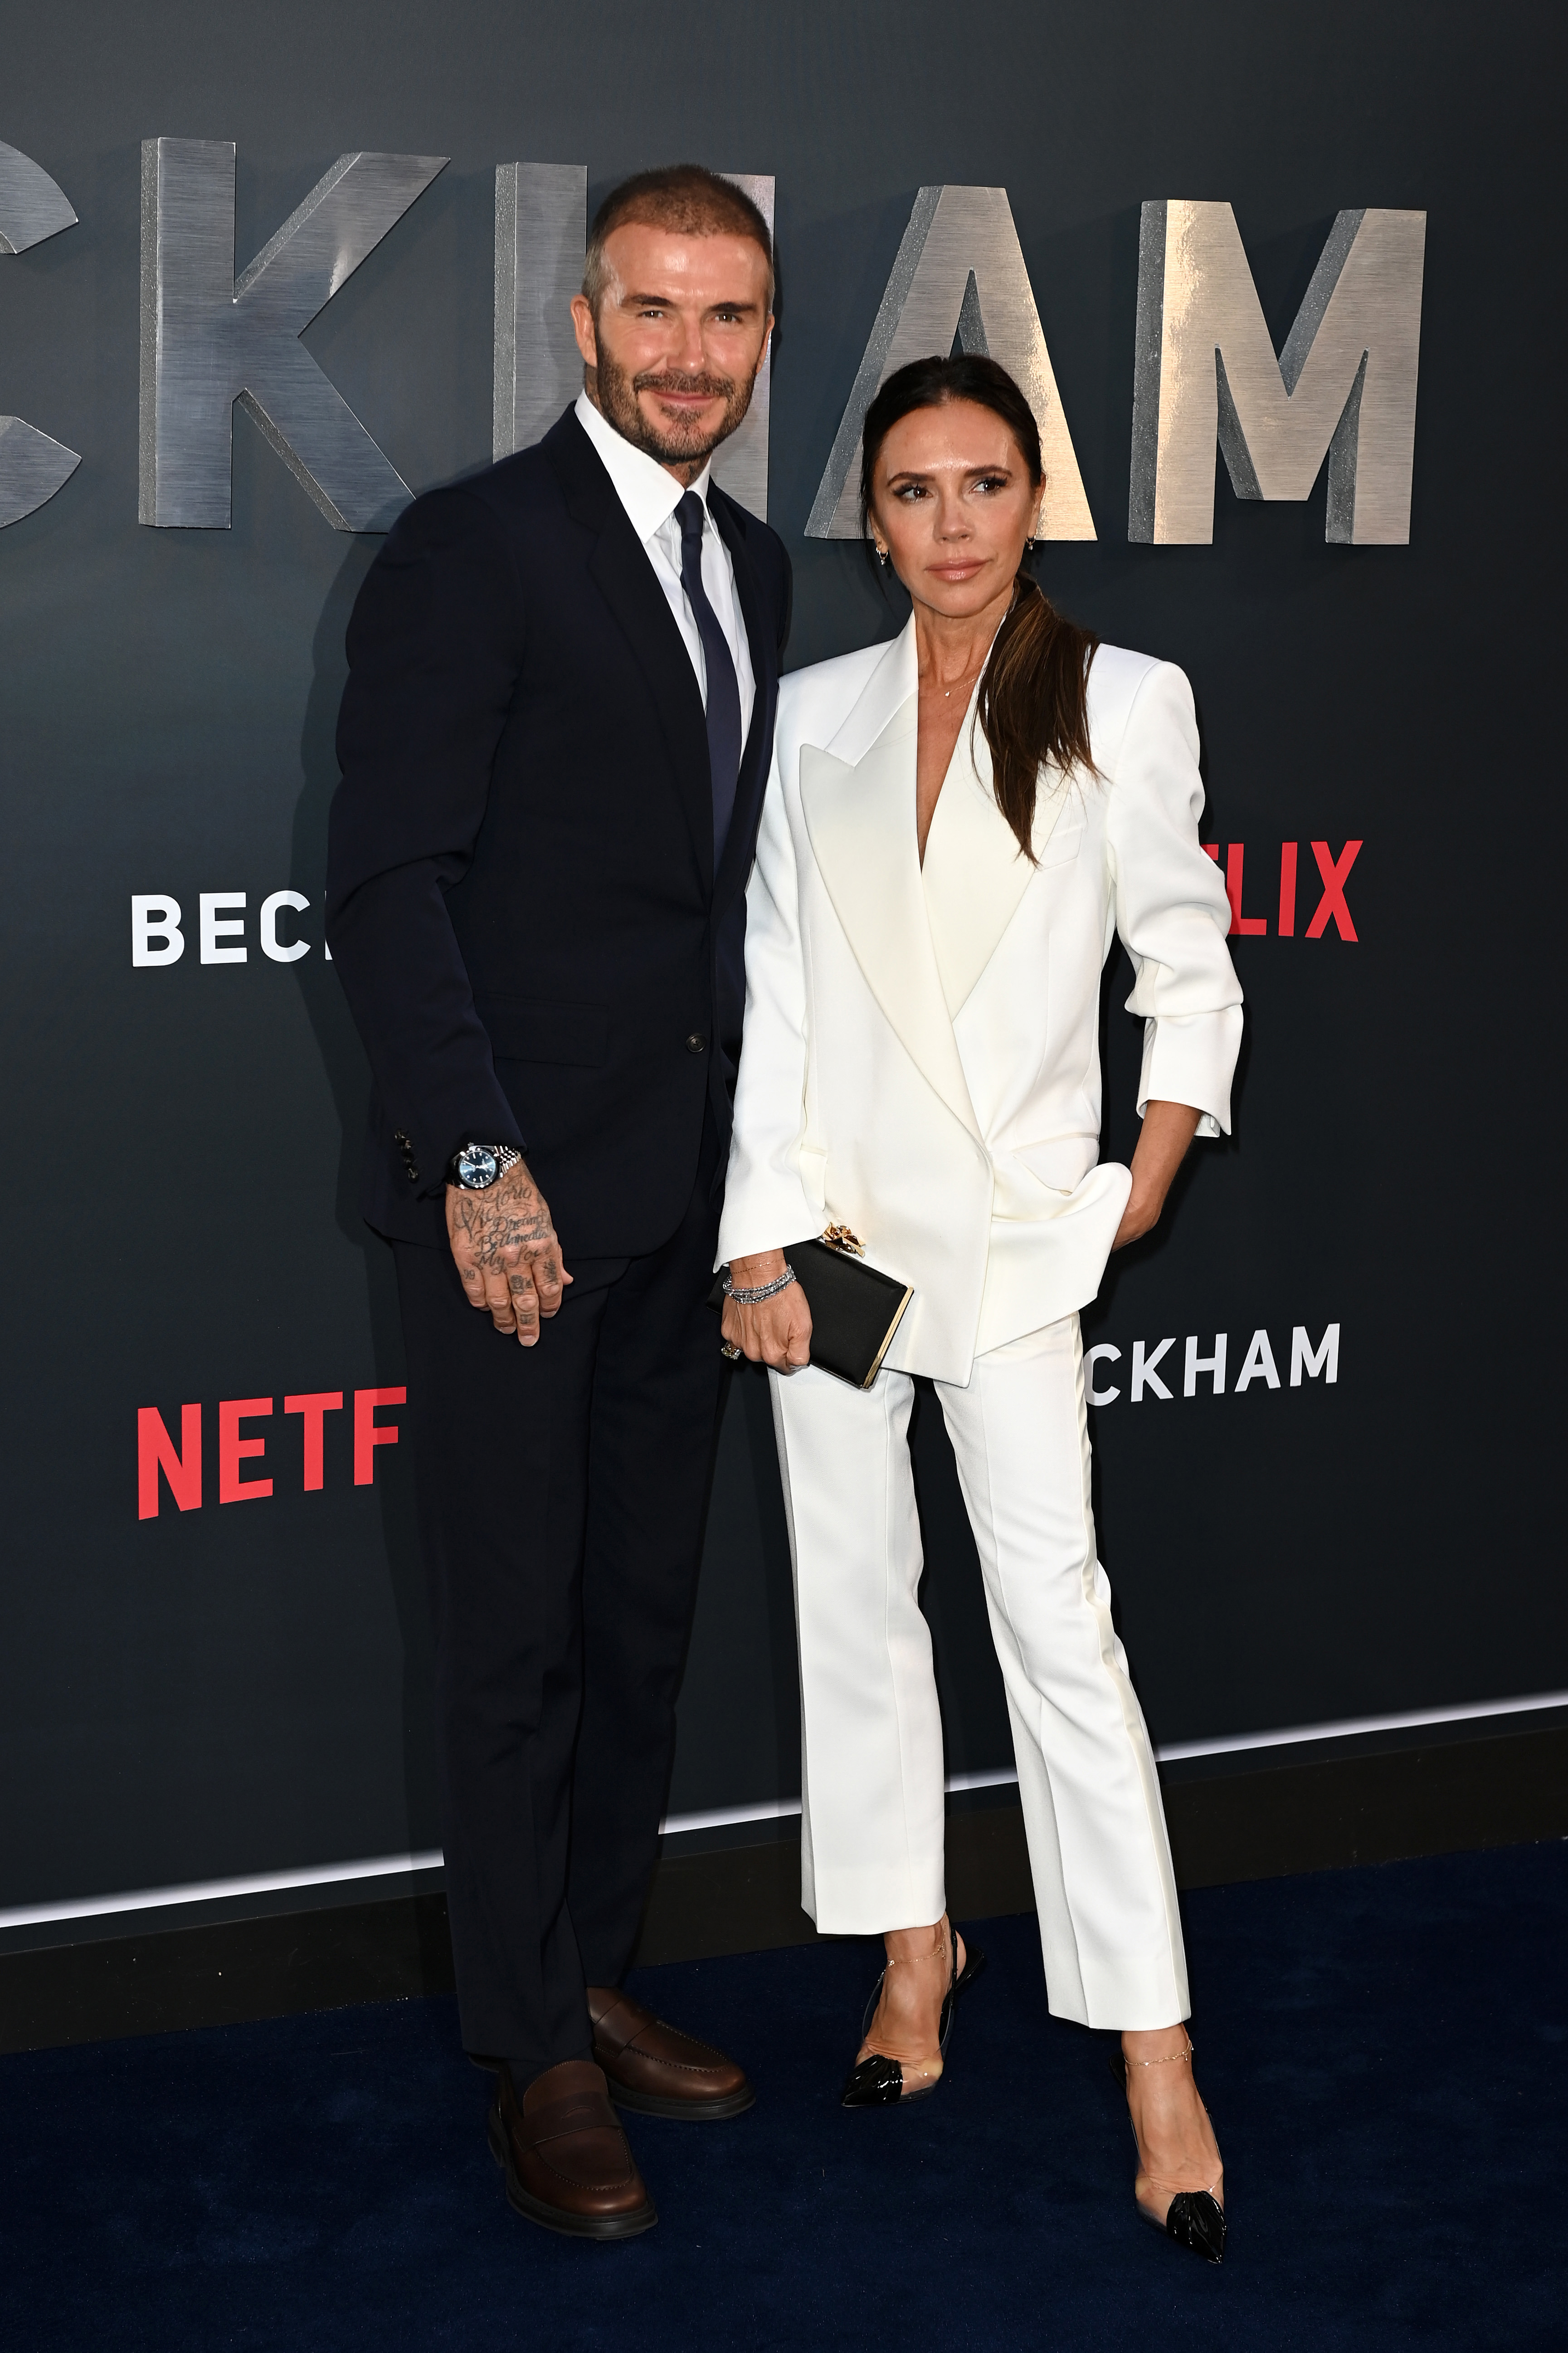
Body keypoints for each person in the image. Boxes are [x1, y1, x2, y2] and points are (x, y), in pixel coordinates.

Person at [717, 352, 1242, 2263]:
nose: (953, 523)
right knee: (853, 1612)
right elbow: (778, 992)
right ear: (876, 520)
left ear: (1036, 501)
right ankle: (910, 1948)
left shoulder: (1121, 700)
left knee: (1058, 1637)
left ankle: (1153, 2052)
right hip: (835, 1253)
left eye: (986, 484)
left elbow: (1188, 974)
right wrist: (756, 1241)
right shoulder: (813, 714)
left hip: (1015, 1249)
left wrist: (1130, 1196)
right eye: (917, 491)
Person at [326, 165, 791, 2241]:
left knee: (641, 1622)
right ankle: (529, 2054)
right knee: (514, 1640)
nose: (692, 355)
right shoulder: (471, 547)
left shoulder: (763, 569)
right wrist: (478, 1160)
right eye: (657, 314)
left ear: (762, 338)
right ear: (583, 325)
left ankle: (590, 1971)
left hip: (692, 1204)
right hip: (515, 1207)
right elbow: (391, 878)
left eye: (731, 319)